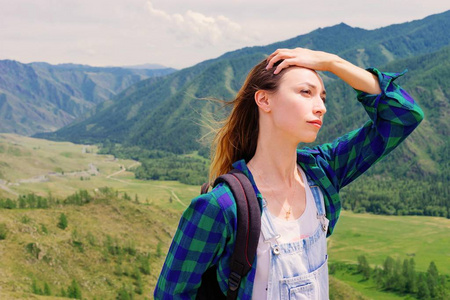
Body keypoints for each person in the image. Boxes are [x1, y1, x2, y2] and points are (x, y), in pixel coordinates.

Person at [154, 48, 424, 299]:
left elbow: (404, 114)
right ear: (264, 99)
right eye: (306, 92)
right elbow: (170, 294)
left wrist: (333, 63)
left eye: (322, 97)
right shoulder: (222, 207)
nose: (321, 106)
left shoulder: (322, 174)